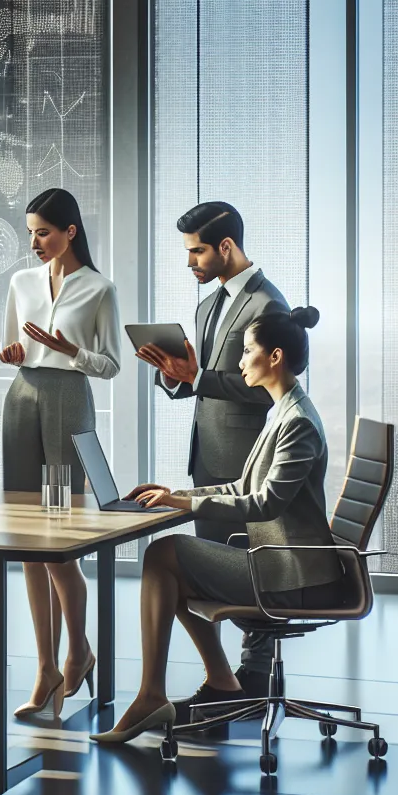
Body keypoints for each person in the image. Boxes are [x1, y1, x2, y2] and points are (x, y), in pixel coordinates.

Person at [91, 307, 353, 745]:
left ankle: (160, 693)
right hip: (281, 563)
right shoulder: (283, 411)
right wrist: (179, 493)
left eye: (246, 351)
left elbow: (265, 503)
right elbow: (241, 484)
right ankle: (217, 684)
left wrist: (186, 506)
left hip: (293, 574)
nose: (238, 361)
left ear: (274, 357)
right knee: (168, 567)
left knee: (164, 555)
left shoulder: (298, 423)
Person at [135, 201, 289, 698]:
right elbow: (199, 383)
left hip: (251, 465)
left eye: (197, 251)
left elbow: (266, 386)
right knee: (210, 574)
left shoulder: (268, 306)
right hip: (209, 459)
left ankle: (256, 678)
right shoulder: (208, 305)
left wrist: (197, 376)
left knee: (254, 571)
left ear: (226, 246)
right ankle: (222, 678)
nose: (190, 263)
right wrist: (174, 377)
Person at [0, 187, 122, 720]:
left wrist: (72, 350)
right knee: (28, 536)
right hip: (22, 398)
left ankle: (78, 651)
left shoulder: (99, 288)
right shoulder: (21, 282)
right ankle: (45, 667)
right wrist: (12, 353)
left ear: (70, 231)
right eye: (30, 233)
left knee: (58, 536)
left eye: (43, 232)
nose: (34, 243)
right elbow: (15, 347)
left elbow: (112, 364)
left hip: (69, 401)